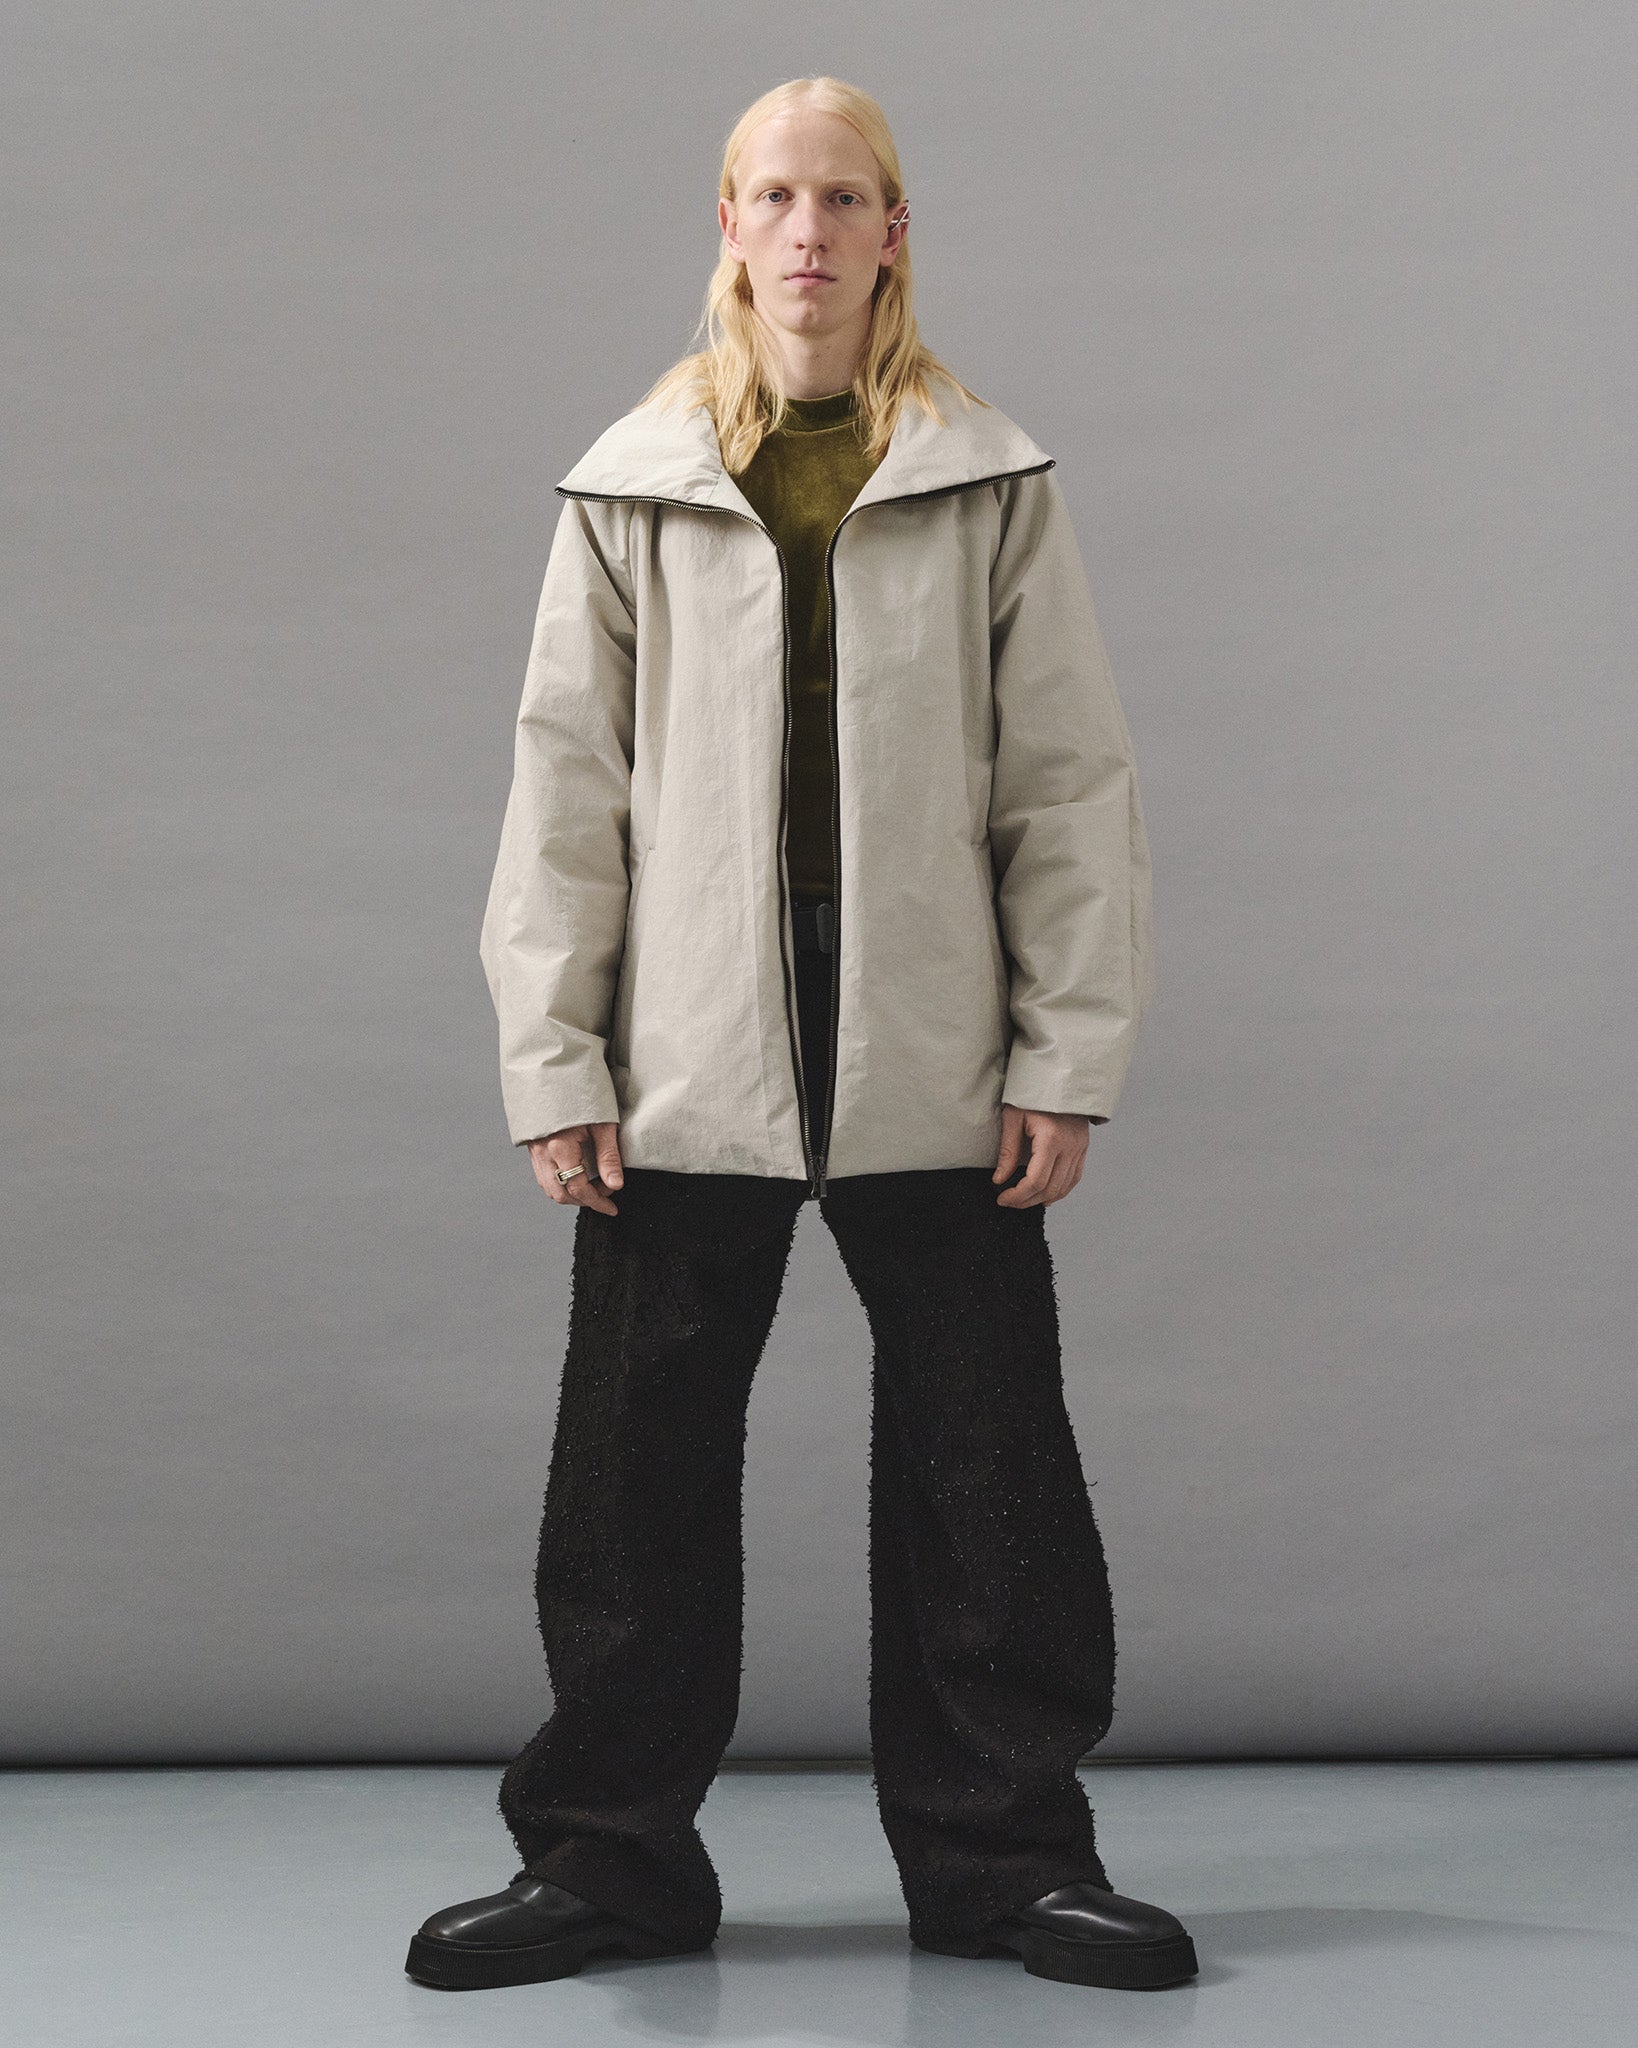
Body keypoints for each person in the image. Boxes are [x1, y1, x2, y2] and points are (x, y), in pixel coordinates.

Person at [405, 75, 1196, 1995]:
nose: (808, 230)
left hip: (934, 1027)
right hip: (687, 1035)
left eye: (843, 196)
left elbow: (1067, 782)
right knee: (634, 1469)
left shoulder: (985, 477)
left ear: (893, 228)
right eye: (773, 195)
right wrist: (555, 1058)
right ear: (729, 223)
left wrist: (1062, 1053)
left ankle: (1005, 1862)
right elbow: (564, 790)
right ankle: (607, 1861)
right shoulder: (636, 481)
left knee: (986, 1462)